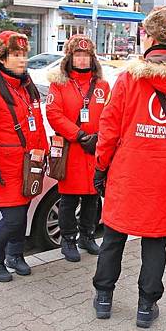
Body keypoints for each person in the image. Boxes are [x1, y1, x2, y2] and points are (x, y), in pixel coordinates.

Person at [91, 6, 166, 328]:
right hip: (165, 175)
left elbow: (109, 129)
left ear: (151, 36)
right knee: (155, 242)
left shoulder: (129, 80)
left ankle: (103, 298)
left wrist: (101, 167)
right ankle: (146, 306)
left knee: (114, 237)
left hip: (126, 172)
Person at [0, 31, 49, 282]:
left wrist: (44, 154)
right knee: (13, 220)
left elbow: (36, 124)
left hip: (28, 166)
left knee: (22, 213)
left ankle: (15, 255)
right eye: (15, 55)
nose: (22, 59)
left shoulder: (26, 88)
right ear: (1, 58)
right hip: (6, 169)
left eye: (24, 54)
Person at [45, 35, 111, 262]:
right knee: (69, 199)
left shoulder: (103, 86)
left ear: (93, 59)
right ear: (70, 58)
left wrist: (100, 137)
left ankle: (88, 236)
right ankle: (68, 239)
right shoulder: (59, 84)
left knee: (92, 198)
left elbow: (111, 116)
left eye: (86, 56)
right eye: (78, 55)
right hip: (73, 150)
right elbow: (54, 114)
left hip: (95, 150)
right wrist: (81, 135)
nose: (82, 60)